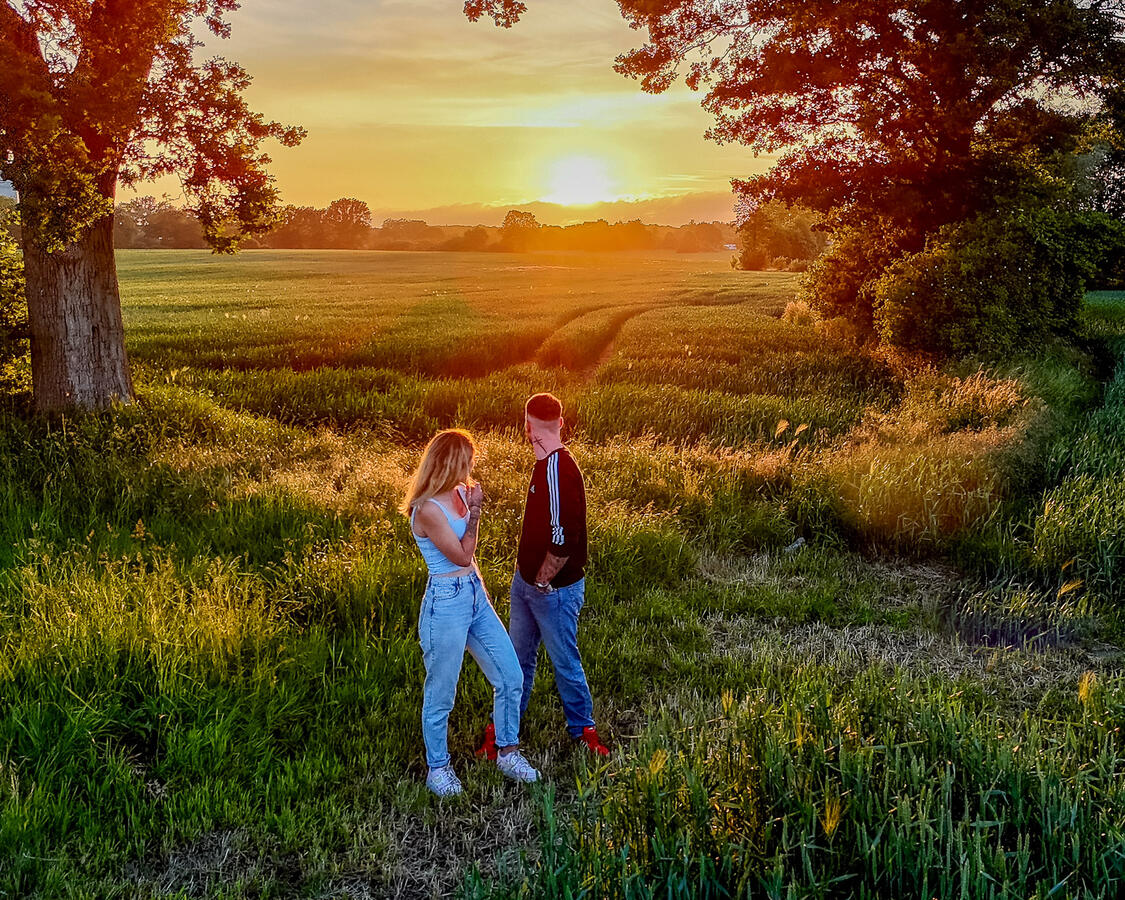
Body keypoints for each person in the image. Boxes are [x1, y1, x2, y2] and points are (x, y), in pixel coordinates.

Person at [403, 429, 540, 796]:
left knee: (510, 675)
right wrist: (476, 510)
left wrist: (471, 504)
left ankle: (507, 752)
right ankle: (438, 768)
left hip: (473, 594)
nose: (472, 467)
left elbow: (470, 558)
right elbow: (462, 554)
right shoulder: (427, 508)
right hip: (445, 602)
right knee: (441, 691)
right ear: (451, 461)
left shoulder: (459, 492)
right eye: (467, 459)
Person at [478, 394, 609, 760]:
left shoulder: (556, 468)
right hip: (528, 585)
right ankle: (503, 730)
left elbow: (563, 539)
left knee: (564, 660)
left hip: (552, 591)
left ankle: (583, 731)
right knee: (516, 661)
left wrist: (541, 581)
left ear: (528, 426)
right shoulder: (546, 463)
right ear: (561, 424)